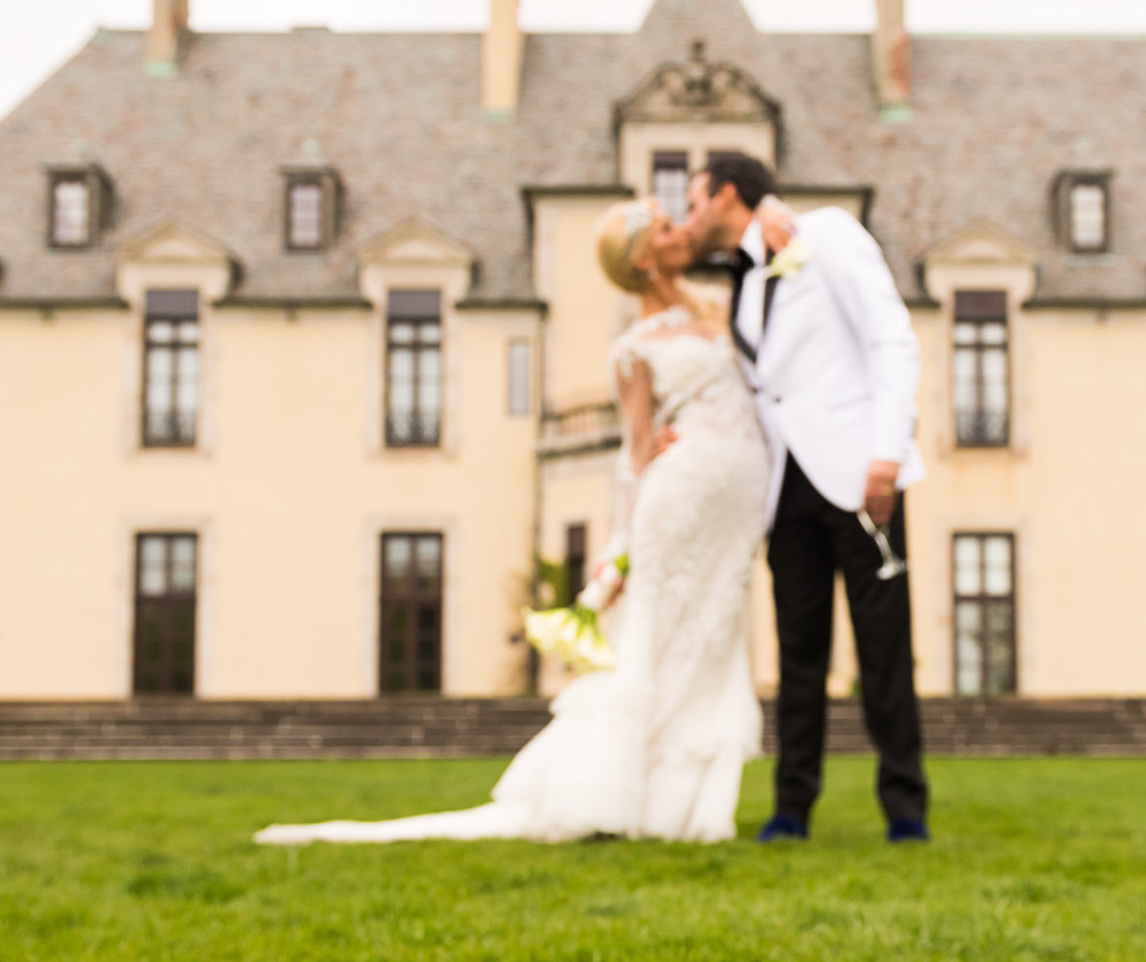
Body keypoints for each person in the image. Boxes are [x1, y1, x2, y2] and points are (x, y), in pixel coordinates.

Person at [254, 197, 790, 844]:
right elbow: (635, 454)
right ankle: (622, 793)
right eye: (668, 227)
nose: (685, 230)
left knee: (710, 640)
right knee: (657, 637)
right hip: (679, 502)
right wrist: (619, 548)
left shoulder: (717, 309)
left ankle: (691, 802)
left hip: (733, 508)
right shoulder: (633, 348)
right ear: (645, 258)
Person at [680, 152, 930, 844]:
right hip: (785, 484)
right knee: (798, 651)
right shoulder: (742, 276)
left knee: (883, 647)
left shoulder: (828, 235)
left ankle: (905, 807)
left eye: (695, 201)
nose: (690, 217)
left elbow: (891, 337)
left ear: (729, 194)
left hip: (858, 474)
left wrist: (886, 453)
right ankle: (792, 806)